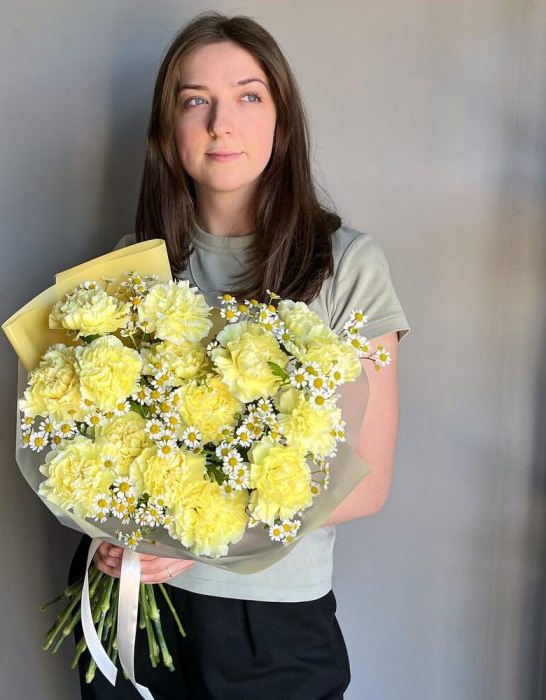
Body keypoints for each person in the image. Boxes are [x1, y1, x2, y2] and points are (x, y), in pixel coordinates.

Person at [69, 10, 410, 699]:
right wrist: (107, 525)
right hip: (133, 604)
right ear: (169, 129)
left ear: (282, 120)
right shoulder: (127, 268)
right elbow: (83, 442)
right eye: (195, 101)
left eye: (248, 96)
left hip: (270, 624)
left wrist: (186, 539)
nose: (221, 123)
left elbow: (367, 484)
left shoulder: (348, 266)